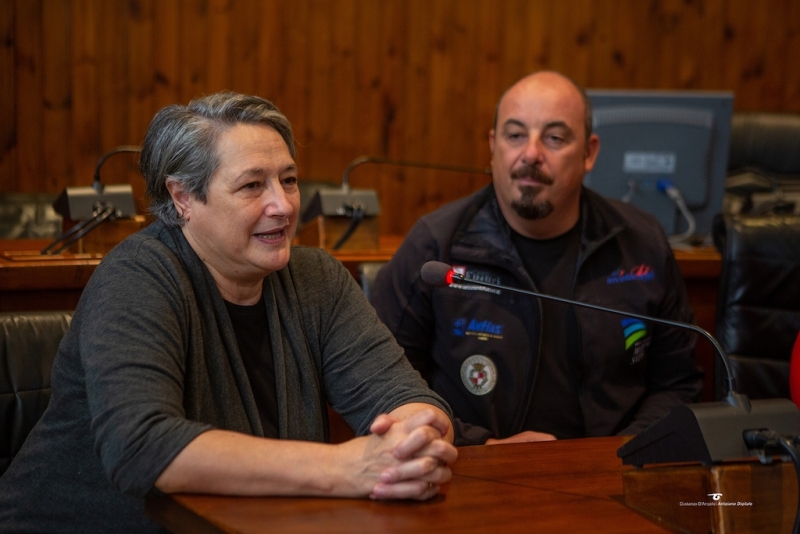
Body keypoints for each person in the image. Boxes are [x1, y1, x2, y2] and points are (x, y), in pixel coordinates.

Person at [0, 92, 456, 532]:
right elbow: (142, 447)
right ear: (182, 198)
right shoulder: (137, 276)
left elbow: (403, 397)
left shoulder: (316, 278)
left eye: (290, 180)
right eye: (252, 185)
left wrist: (417, 435)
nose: (283, 205)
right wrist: (347, 466)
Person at [371, 71, 704, 446]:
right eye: (515, 135)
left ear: (589, 153)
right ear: (493, 146)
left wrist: (621, 454)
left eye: (554, 138)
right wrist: (482, 448)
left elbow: (677, 383)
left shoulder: (641, 243)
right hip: (470, 473)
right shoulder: (436, 245)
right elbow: (382, 384)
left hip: (613, 474)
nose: (531, 154)